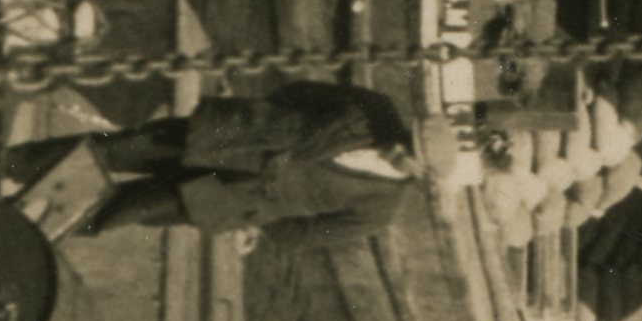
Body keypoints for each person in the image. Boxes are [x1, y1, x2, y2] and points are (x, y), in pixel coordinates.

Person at [77, 77, 417, 235]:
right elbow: (299, 91)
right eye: (406, 139)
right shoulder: (375, 109)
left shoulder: (379, 210)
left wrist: (261, 214)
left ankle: (35, 225)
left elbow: (301, 234)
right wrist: (260, 125)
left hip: (229, 199)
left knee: (121, 211)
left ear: (422, 173)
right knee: (113, 150)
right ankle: (23, 166)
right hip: (223, 139)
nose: (398, 147)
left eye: (409, 155)